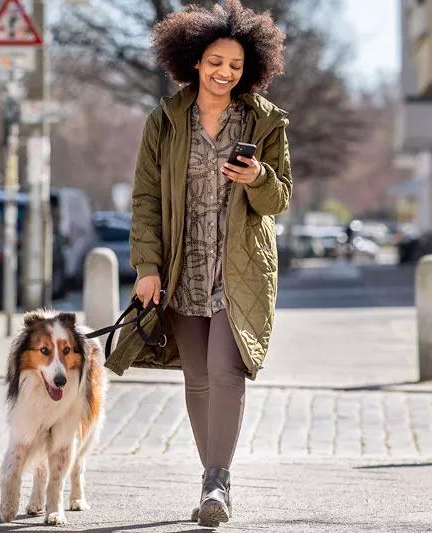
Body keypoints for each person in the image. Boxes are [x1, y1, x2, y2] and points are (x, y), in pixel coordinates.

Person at [104, 0, 291, 527]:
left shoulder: (265, 121)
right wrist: (147, 267)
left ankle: (217, 482)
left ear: (248, 68)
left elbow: (281, 199)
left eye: (234, 65)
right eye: (215, 61)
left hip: (240, 269)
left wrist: (256, 178)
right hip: (183, 265)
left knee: (225, 369)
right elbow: (144, 198)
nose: (224, 73)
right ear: (193, 60)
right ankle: (211, 473)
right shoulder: (165, 120)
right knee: (196, 377)